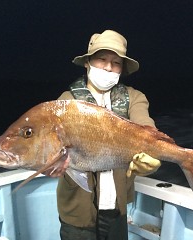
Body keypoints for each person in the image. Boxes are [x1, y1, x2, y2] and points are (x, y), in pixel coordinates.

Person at [49, 30, 161, 240]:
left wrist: (152, 156)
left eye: (116, 63)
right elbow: (52, 148)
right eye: (101, 59)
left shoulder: (134, 97)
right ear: (87, 63)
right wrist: (48, 164)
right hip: (76, 211)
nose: (108, 67)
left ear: (122, 69)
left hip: (116, 209)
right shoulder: (66, 102)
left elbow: (145, 126)